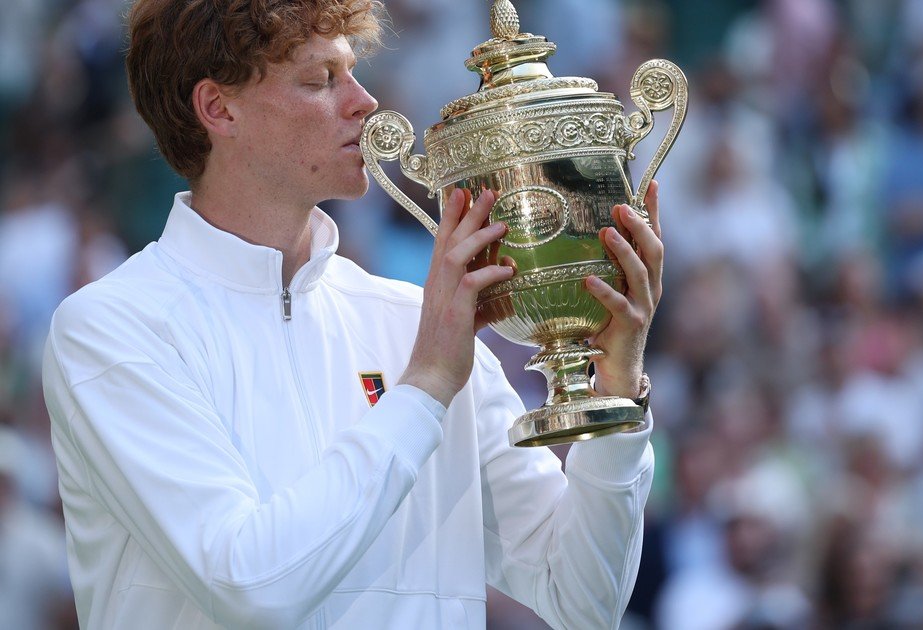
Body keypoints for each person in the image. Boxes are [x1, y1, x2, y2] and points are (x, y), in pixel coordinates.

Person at [41, 1, 663, 628]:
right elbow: (252, 587)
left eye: (353, 72)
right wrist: (422, 392)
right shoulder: (110, 329)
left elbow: (584, 599)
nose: (365, 102)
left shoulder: (413, 324)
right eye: (320, 80)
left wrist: (616, 405)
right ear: (218, 108)